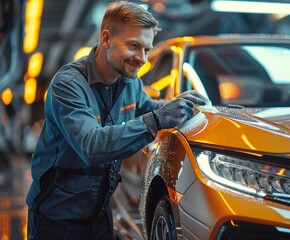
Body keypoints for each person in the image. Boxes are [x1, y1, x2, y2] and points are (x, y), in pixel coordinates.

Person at [26, 1, 208, 239]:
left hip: (100, 213)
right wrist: (156, 120)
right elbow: (91, 145)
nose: (142, 58)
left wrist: (177, 104)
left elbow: (147, 107)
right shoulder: (68, 85)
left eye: (146, 49)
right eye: (133, 46)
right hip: (58, 217)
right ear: (105, 39)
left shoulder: (130, 82)